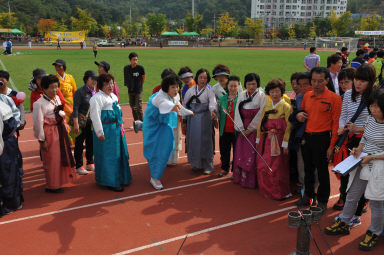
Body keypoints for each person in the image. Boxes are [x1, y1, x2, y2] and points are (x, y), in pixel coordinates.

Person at [325, 88, 384, 252]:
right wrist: (359, 148)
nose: (371, 109)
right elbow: (365, 137)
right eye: (370, 106)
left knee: (377, 202)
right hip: (363, 159)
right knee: (352, 194)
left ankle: (374, 231)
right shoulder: (372, 120)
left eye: (376, 106)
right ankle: (344, 222)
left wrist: (372, 157)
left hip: (379, 166)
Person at [332, 64, 374, 226]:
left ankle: (357, 212)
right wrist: (342, 128)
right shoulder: (348, 94)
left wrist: (358, 128)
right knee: (346, 176)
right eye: (357, 79)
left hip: (366, 142)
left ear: (370, 82)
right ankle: (348, 208)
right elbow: (344, 115)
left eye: (363, 81)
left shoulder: (375, 98)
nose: (358, 83)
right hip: (348, 140)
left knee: (361, 178)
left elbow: (378, 123)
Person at [295, 67, 342, 213]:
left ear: (327, 81)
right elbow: (301, 115)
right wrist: (299, 116)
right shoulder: (308, 96)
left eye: (320, 81)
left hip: (323, 139)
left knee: (322, 171)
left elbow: (336, 124)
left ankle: (322, 200)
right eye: (313, 81)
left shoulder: (334, 98)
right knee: (308, 169)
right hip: (307, 138)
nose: (316, 84)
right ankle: (308, 196)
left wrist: (331, 146)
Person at [143, 74, 193, 190]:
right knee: (156, 150)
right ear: (166, 88)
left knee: (166, 148)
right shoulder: (161, 97)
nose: (176, 90)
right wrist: (174, 108)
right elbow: (167, 105)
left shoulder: (174, 96)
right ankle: (155, 178)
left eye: (177, 87)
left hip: (164, 125)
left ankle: (156, 172)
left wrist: (189, 112)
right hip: (153, 127)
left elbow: (179, 107)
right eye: (173, 87)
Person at [32, 75, 75, 193]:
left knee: (61, 156)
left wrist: (65, 125)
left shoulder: (56, 98)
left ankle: (60, 180)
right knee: (52, 159)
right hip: (50, 133)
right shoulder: (39, 104)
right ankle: (52, 185)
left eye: (56, 87)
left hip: (60, 131)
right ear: (44, 88)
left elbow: (61, 113)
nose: (55, 90)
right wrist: (42, 140)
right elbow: (38, 124)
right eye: (51, 88)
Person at [90, 73, 132, 192]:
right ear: (101, 85)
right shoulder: (97, 98)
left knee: (119, 154)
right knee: (109, 156)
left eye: (112, 83)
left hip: (116, 130)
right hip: (106, 131)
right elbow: (95, 116)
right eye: (107, 84)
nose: (110, 86)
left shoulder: (113, 96)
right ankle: (110, 181)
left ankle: (122, 177)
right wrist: (99, 133)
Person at [256, 79, 292, 200]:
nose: (275, 94)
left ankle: (281, 192)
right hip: (266, 141)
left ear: (281, 92)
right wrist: (258, 139)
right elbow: (261, 124)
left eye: (277, 91)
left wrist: (286, 143)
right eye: (272, 91)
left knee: (278, 167)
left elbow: (289, 126)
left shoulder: (286, 107)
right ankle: (268, 190)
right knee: (263, 165)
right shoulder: (267, 106)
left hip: (279, 141)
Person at [233, 73, 267, 188]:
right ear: (245, 84)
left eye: (254, 84)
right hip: (243, 128)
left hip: (254, 130)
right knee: (241, 153)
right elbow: (237, 111)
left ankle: (251, 181)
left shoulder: (262, 96)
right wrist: (241, 129)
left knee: (251, 155)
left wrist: (251, 128)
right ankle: (240, 178)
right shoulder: (242, 95)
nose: (251, 86)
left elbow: (261, 113)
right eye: (249, 84)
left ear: (257, 84)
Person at [183, 68, 217, 175]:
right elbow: (185, 104)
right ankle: (196, 164)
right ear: (197, 78)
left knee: (206, 142)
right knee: (193, 141)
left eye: (205, 78)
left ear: (208, 80)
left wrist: (212, 111)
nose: (203, 80)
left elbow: (212, 103)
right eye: (201, 77)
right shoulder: (190, 90)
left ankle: (208, 165)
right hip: (192, 119)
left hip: (205, 119)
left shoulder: (209, 91)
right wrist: (184, 120)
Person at [289, 72, 313, 194]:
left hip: (313, 137)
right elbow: (296, 118)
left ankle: (314, 192)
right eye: (300, 85)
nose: (303, 87)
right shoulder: (298, 98)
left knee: (313, 168)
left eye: (306, 84)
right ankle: (304, 192)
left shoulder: (316, 98)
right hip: (300, 137)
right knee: (301, 165)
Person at [0, 100, 23, 216]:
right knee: (11, 172)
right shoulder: (3, 101)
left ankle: (9, 203)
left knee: (6, 174)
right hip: (9, 143)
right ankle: (15, 201)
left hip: (5, 145)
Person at [72, 71, 97, 175]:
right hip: (81, 123)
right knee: (79, 144)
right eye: (92, 79)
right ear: (86, 79)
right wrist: (76, 123)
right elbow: (75, 108)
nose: (94, 81)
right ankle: (79, 166)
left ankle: (90, 163)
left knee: (91, 143)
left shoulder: (95, 92)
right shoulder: (80, 92)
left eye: (96, 79)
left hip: (91, 123)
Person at [218, 76, 240, 177]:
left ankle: (235, 170)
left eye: (235, 86)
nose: (233, 88)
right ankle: (224, 168)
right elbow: (218, 111)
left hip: (236, 130)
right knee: (224, 150)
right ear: (228, 86)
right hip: (224, 129)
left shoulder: (241, 98)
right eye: (231, 86)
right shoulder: (222, 98)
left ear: (239, 86)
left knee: (237, 151)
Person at [53, 59, 77, 124]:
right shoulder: (54, 78)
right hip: (61, 104)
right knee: (64, 122)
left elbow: (75, 91)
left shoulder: (70, 77)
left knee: (72, 122)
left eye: (59, 66)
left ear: (63, 67)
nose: (57, 68)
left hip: (71, 104)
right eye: (56, 66)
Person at [123, 52, 145, 122]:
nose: (135, 61)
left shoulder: (140, 68)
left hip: (138, 90)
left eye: (136, 59)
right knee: (133, 107)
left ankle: (142, 123)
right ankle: (136, 122)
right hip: (130, 90)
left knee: (139, 107)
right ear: (130, 60)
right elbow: (126, 78)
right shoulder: (126, 68)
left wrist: (140, 86)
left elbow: (143, 77)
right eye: (133, 60)